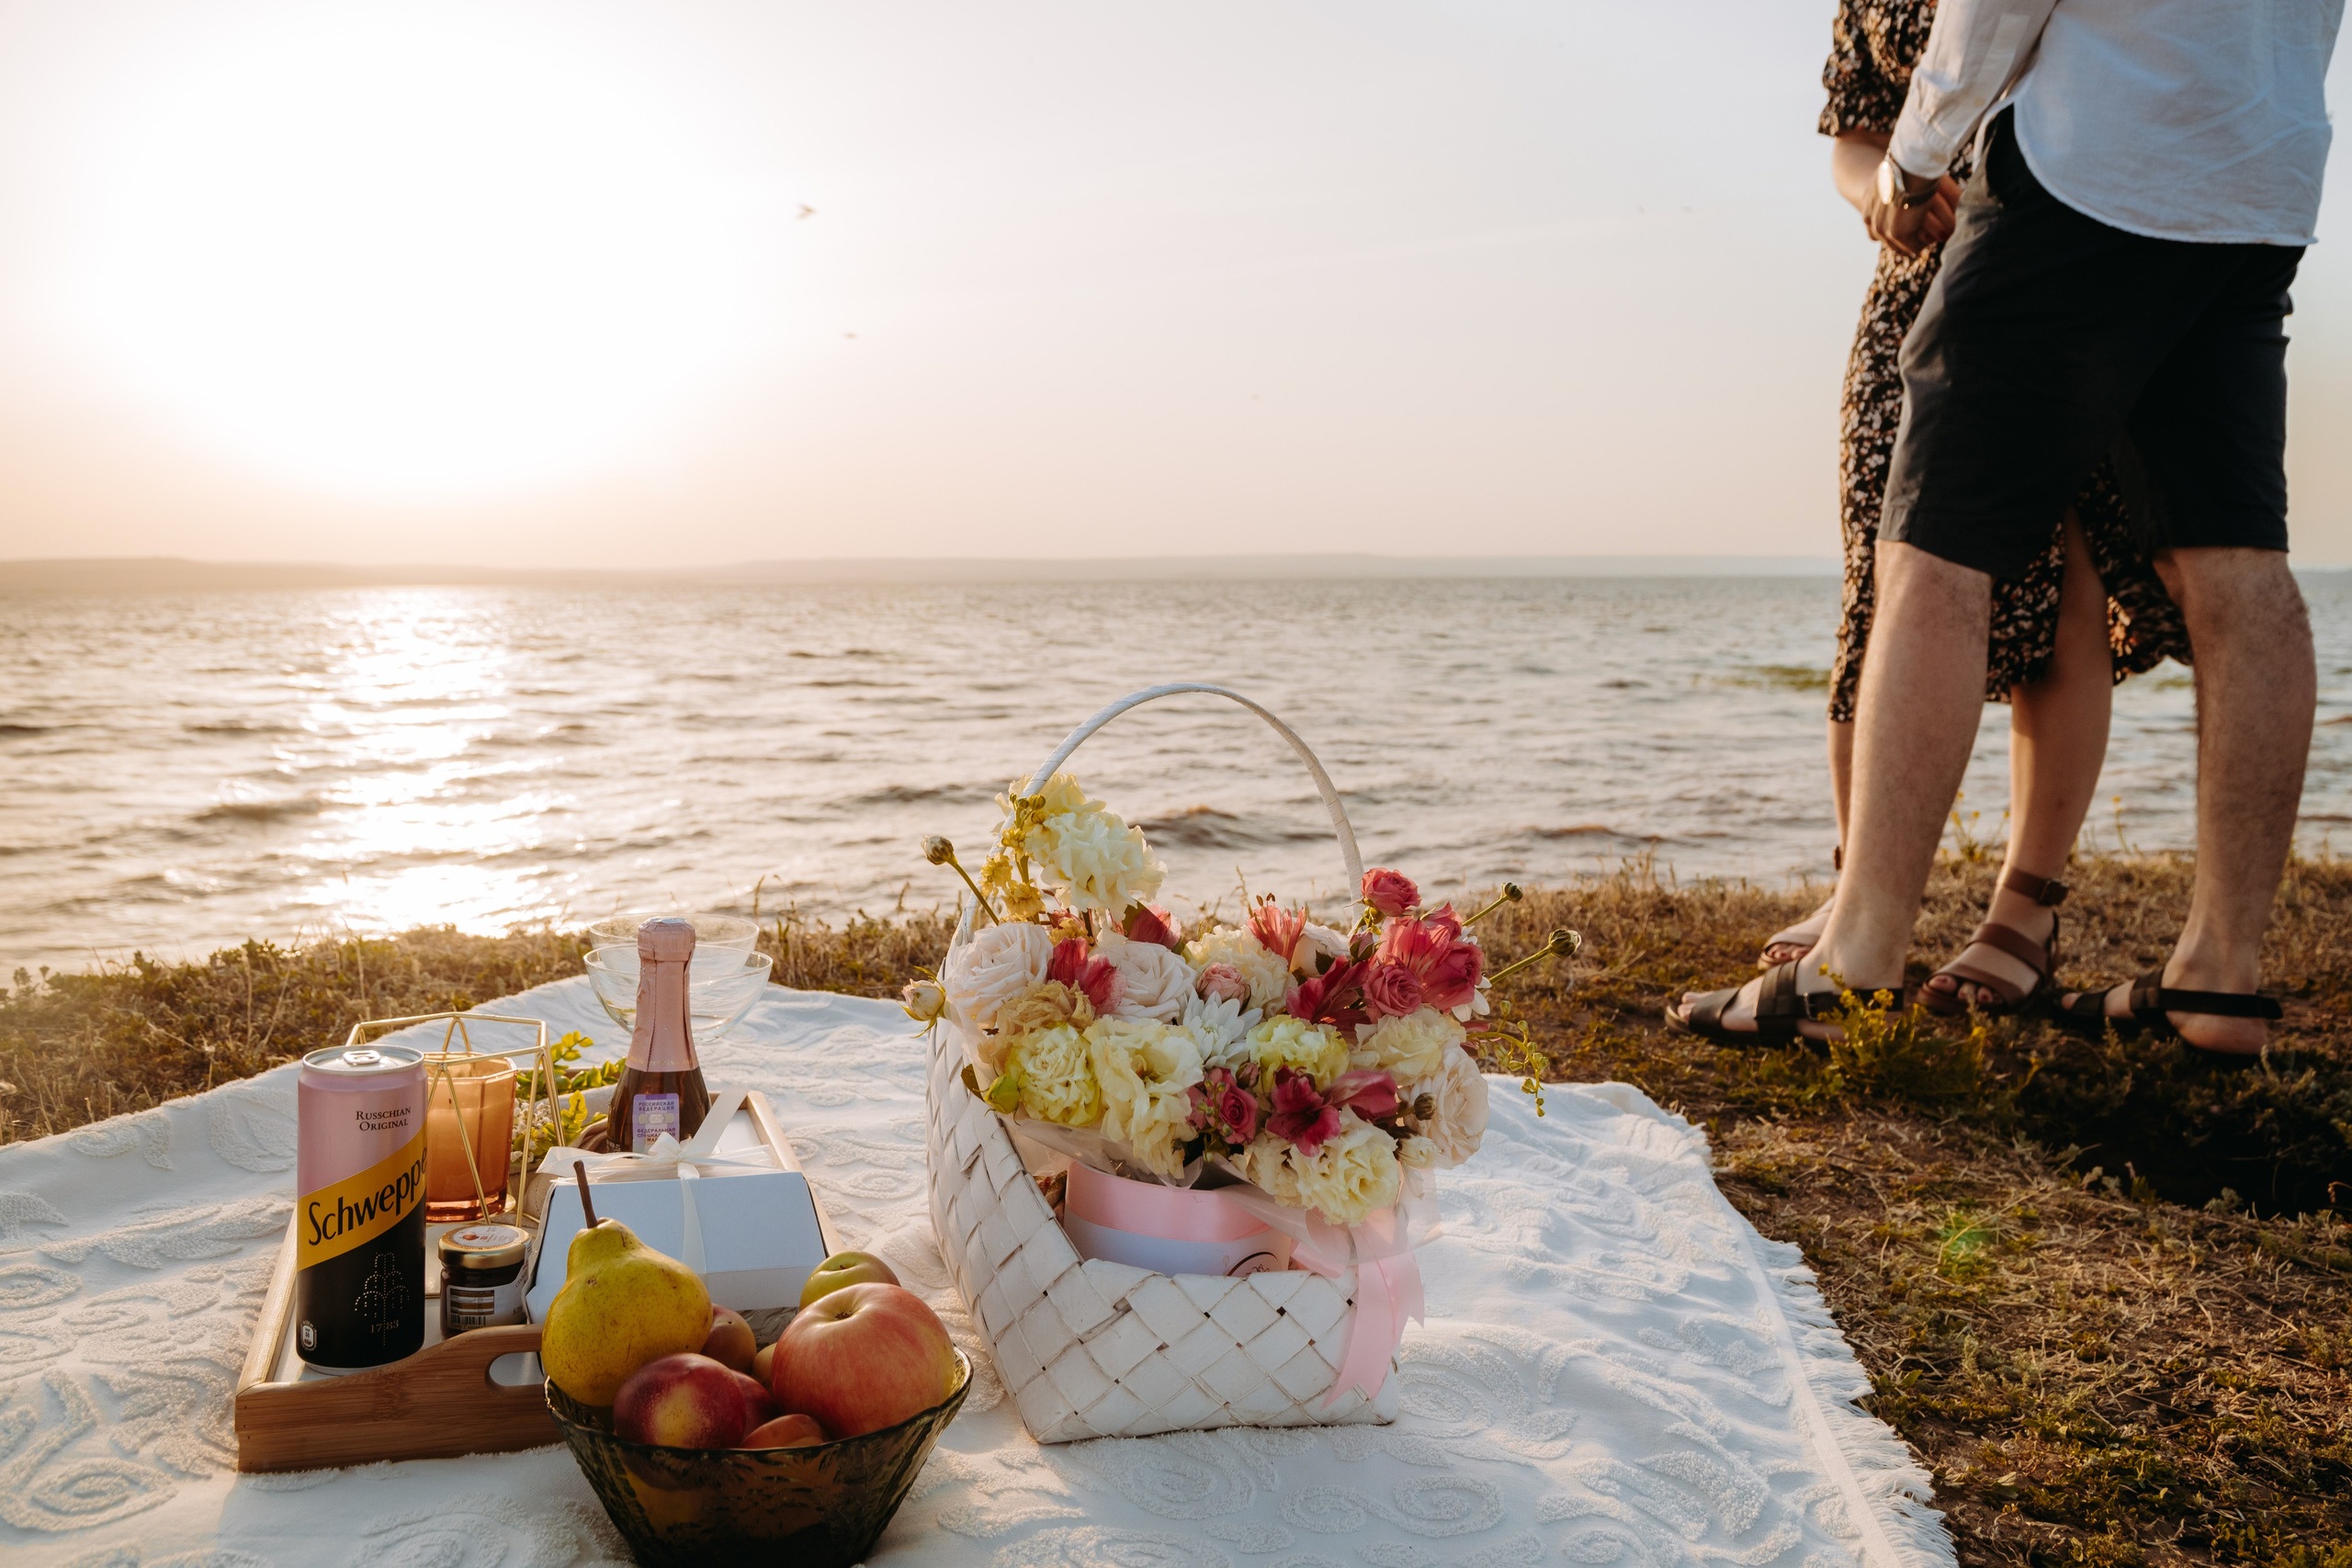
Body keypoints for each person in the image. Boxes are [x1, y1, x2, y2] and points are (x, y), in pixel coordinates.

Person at [1677, 0, 2339, 1059]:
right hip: (2257, 174)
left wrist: (1920, 148)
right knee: (2233, 559)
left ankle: (1855, 962)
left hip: (2092, 161)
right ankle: (2219, 982)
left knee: (1934, 550)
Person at [1761, 0, 2190, 1021]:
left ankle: (2024, 913)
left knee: (2066, 580)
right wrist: (1885, 197)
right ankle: (1860, 896)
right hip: (1911, 280)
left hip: (2069, 257)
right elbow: (1854, 137)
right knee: (1882, 578)